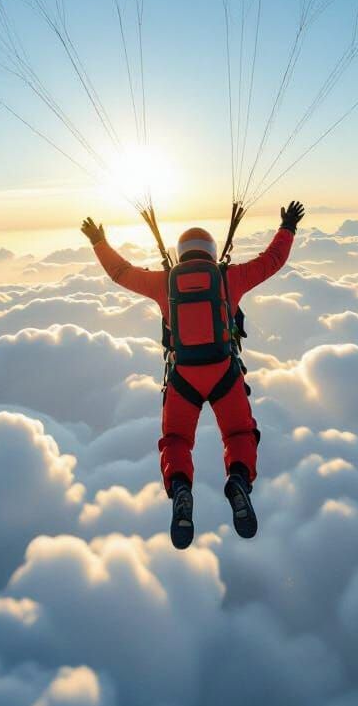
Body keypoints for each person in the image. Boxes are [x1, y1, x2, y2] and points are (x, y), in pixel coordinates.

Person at [81, 201, 305, 549]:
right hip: (223, 373)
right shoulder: (229, 279)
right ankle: (239, 481)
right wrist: (287, 228)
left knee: (176, 440)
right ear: (212, 252)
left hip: (184, 377)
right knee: (238, 432)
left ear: (181, 253)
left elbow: (120, 273)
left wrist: (99, 242)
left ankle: (181, 487)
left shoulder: (164, 284)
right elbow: (271, 262)